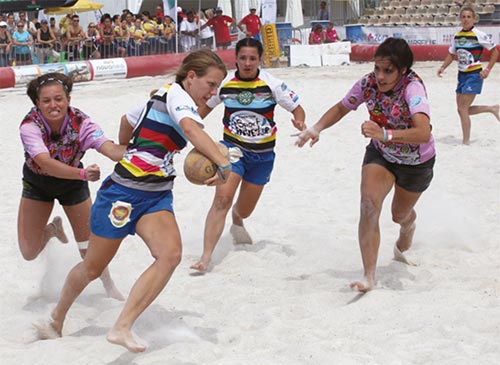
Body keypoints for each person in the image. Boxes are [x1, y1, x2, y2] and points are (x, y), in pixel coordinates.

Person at [35, 49, 231, 353]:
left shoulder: (170, 98)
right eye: (211, 84)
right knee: (92, 268)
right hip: (124, 192)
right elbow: (191, 130)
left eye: (217, 87)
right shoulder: (177, 96)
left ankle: (122, 325)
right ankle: (56, 318)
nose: (212, 92)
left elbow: (127, 119)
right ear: (191, 77)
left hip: (156, 195)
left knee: (169, 255)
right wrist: (223, 162)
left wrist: (130, 146)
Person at [295, 38, 435, 293]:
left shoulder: (413, 89)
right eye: (377, 68)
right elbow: (341, 107)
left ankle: (408, 227)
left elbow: (423, 132)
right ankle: (369, 275)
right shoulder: (368, 83)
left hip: (416, 161)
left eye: (388, 70)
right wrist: (316, 128)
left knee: (399, 215)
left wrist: (385, 134)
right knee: (368, 205)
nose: (380, 76)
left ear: (402, 70)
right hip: (381, 155)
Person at [191, 38, 306, 272]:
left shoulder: (271, 84)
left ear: (260, 60)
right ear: (236, 59)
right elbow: (201, 111)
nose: (247, 62)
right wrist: (187, 127)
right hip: (232, 152)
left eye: (252, 58)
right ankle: (205, 257)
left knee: (244, 209)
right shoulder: (224, 85)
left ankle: (238, 218)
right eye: (242, 57)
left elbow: (297, 107)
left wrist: (300, 120)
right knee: (222, 199)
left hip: (262, 157)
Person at [18, 73, 125, 300]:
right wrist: (83, 174)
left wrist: (138, 150)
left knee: (88, 248)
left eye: (59, 99)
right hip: (39, 183)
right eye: (46, 101)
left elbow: (110, 149)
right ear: (37, 103)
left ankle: (108, 285)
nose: (53, 105)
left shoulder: (83, 123)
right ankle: (52, 230)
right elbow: (46, 164)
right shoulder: (29, 126)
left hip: (73, 185)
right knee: (28, 252)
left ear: (68, 100)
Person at [437, 6, 499, 145]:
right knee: (462, 110)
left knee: (462, 108)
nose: (466, 19)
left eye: (468, 17)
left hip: (474, 74)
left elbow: (495, 52)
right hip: (462, 75)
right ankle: (491, 108)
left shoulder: (478, 34)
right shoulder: (457, 35)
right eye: (463, 17)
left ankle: (466, 141)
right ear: (460, 19)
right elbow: (452, 54)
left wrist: (487, 70)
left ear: (473, 19)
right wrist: (443, 67)